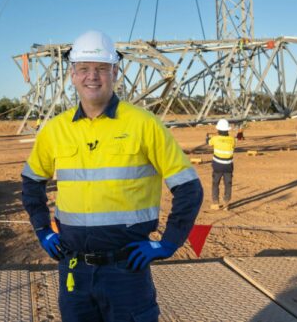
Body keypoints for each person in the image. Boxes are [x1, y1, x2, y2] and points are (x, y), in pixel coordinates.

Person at [21, 30, 203, 322]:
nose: (92, 76)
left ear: (114, 72)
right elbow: (31, 183)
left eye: (101, 68)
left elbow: (189, 189)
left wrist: (168, 242)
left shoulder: (144, 124)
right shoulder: (55, 129)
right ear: (72, 74)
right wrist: (42, 229)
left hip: (126, 271)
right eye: (84, 68)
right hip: (74, 271)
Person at [208, 119, 236, 210]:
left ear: (218, 130)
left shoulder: (215, 139)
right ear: (228, 129)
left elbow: (209, 143)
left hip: (217, 166)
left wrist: (208, 137)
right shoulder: (232, 140)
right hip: (228, 166)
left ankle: (215, 202)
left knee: (215, 183)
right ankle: (226, 203)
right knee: (228, 184)